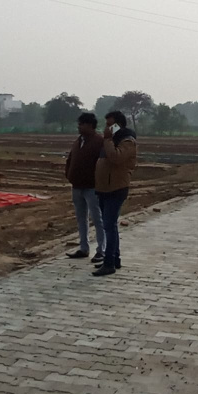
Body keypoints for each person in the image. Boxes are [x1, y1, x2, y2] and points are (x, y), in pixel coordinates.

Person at [92, 111, 137, 277]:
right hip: (104, 188)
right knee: (110, 226)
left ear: (118, 125)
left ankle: (109, 263)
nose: (107, 128)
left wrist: (107, 139)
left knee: (109, 226)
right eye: (106, 124)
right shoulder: (111, 141)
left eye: (110, 125)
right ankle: (114, 258)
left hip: (116, 188)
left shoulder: (127, 141)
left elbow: (116, 158)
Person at [65, 112, 105, 263]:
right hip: (77, 186)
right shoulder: (78, 141)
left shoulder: (99, 142)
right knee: (81, 219)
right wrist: (69, 175)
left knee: (97, 219)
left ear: (90, 125)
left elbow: (103, 164)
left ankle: (101, 250)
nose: (79, 126)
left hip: (92, 187)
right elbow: (70, 159)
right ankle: (83, 248)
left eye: (81, 124)